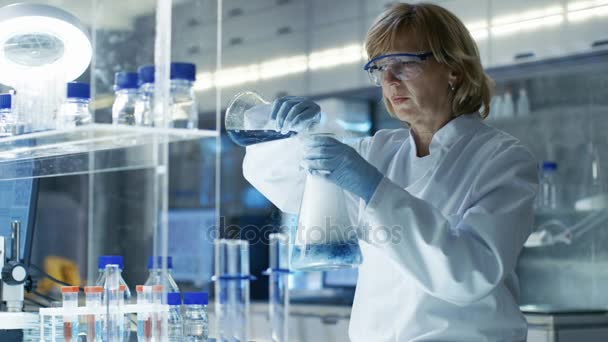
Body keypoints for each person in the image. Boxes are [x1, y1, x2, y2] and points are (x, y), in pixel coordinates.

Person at [243, 3, 538, 341]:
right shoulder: (378, 150)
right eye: (379, 67)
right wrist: (285, 132)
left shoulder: (502, 160)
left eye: (405, 64)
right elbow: (289, 187)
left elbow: (469, 273)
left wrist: (374, 189)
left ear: (454, 70)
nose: (389, 79)